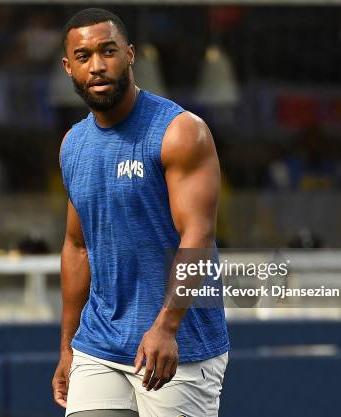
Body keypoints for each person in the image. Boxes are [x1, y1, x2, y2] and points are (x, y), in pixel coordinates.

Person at [52, 8, 230, 417]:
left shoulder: (180, 132)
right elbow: (77, 247)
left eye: (107, 51)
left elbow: (198, 237)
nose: (97, 66)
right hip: (99, 344)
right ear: (68, 67)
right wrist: (67, 348)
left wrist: (167, 327)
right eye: (83, 56)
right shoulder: (73, 145)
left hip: (179, 345)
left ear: (130, 55)